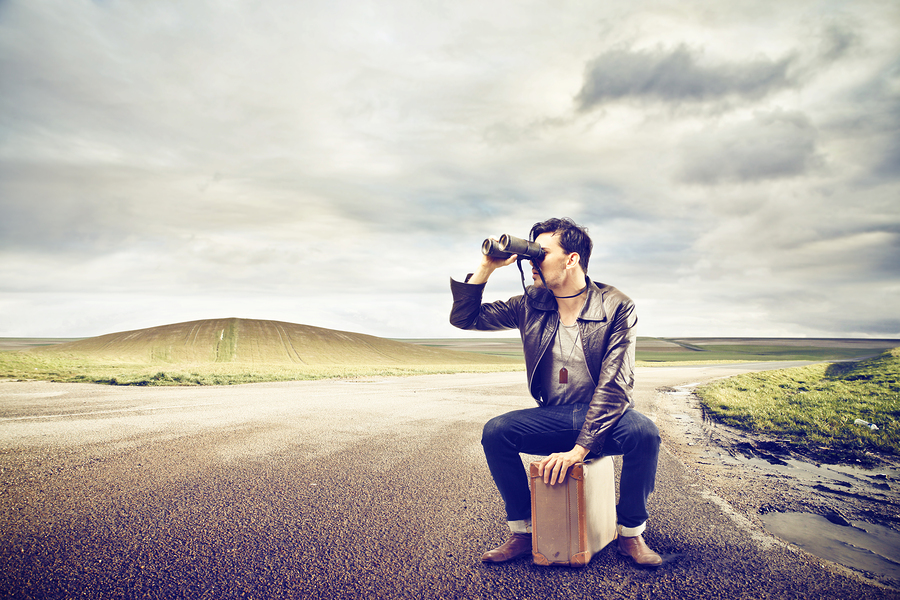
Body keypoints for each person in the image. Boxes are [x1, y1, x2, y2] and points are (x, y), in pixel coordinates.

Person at [449, 217, 662, 567]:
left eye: (541, 254)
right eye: (530, 253)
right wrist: (487, 266)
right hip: (555, 416)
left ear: (572, 259)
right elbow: (465, 319)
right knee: (496, 432)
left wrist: (580, 450)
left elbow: (615, 386)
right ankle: (522, 531)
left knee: (644, 432)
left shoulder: (617, 306)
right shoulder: (530, 304)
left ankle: (631, 533)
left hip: (605, 419)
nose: (532, 262)